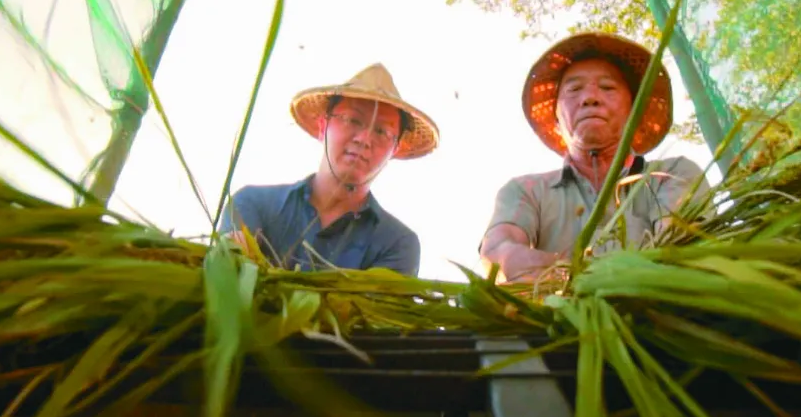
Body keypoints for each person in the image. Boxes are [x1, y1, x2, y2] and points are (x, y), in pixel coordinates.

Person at [480, 32, 712, 282]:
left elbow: (679, 246)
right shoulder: (526, 191)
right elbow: (498, 249)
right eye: (574, 89)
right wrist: (536, 268)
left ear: (633, 109)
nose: (590, 98)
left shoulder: (672, 174)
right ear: (556, 117)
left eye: (608, 87)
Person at [219, 63, 438, 276]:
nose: (364, 139)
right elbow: (232, 279)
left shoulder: (397, 245)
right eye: (353, 120)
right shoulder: (252, 204)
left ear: (395, 149)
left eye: (381, 131)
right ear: (323, 127)